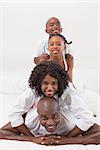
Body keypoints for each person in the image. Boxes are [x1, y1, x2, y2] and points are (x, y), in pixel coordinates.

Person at [0, 61, 95, 138]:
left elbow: (87, 118)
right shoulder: (32, 92)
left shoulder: (67, 92)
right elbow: (14, 114)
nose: (49, 88)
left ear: (59, 83)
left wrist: (66, 139)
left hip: (62, 115)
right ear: (39, 83)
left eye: (54, 83)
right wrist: (32, 138)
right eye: (45, 83)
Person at [0, 96, 100, 145]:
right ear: (38, 115)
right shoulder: (30, 120)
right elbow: (1, 133)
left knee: (86, 112)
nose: (50, 122)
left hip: (68, 110)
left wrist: (67, 140)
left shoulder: (70, 121)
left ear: (59, 113)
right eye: (44, 118)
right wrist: (32, 139)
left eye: (54, 116)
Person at [33, 17, 73, 81]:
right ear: (46, 30)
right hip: (46, 72)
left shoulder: (67, 45)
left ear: (61, 29)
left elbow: (70, 64)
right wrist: (42, 60)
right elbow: (35, 60)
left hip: (61, 72)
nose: (55, 26)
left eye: (58, 24)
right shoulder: (41, 44)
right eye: (51, 25)